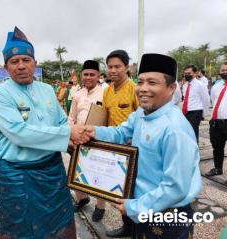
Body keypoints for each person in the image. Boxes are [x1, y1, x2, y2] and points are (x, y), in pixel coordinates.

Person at [82, 53, 202, 239]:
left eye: (152, 83)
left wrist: (134, 207)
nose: (143, 89)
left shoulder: (175, 129)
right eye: (141, 82)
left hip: (167, 212)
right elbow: (121, 132)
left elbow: (175, 188)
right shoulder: (142, 112)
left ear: (171, 88)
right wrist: (92, 131)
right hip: (144, 203)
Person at [0, 26, 88, 239]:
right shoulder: (0, 94)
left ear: (35, 63)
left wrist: (82, 143)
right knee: (23, 229)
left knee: (60, 226)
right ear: (6, 67)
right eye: (14, 62)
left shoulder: (46, 90)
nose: (21, 66)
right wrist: (69, 132)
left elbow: (61, 120)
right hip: (17, 175)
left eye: (26, 60)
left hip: (52, 172)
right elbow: (19, 133)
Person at [102, 50, 139, 238]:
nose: (113, 70)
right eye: (110, 67)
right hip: (112, 148)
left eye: (117, 66)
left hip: (133, 150)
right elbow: (105, 118)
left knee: (133, 192)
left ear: (127, 67)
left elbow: (143, 118)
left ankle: (136, 230)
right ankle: (127, 227)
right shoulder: (107, 90)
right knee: (119, 191)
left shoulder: (134, 89)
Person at [68, 60, 105, 222]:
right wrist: (70, 135)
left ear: (98, 76)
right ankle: (82, 198)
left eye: (92, 74)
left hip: (98, 140)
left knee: (99, 175)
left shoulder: (106, 92)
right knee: (76, 172)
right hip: (78, 140)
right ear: (81, 76)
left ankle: (100, 206)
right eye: (86, 74)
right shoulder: (77, 94)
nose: (88, 77)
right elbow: (71, 118)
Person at [205, 63, 227, 177]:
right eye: (222, 70)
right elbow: (213, 101)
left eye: (226, 70)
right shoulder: (216, 86)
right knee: (217, 146)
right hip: (216, 122)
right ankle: (218, 168)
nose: (224, 72)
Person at [182, 64, 210, 143]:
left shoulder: (200, 85)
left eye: (189, 73)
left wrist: (203, 114)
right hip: (185, 112)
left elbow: (206, 99)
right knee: (186, 132)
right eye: (185, 73)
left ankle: (194, 151)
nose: (187, 75)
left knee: (193, 133)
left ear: (195, 73)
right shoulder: (185, 85)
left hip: (195, 111)